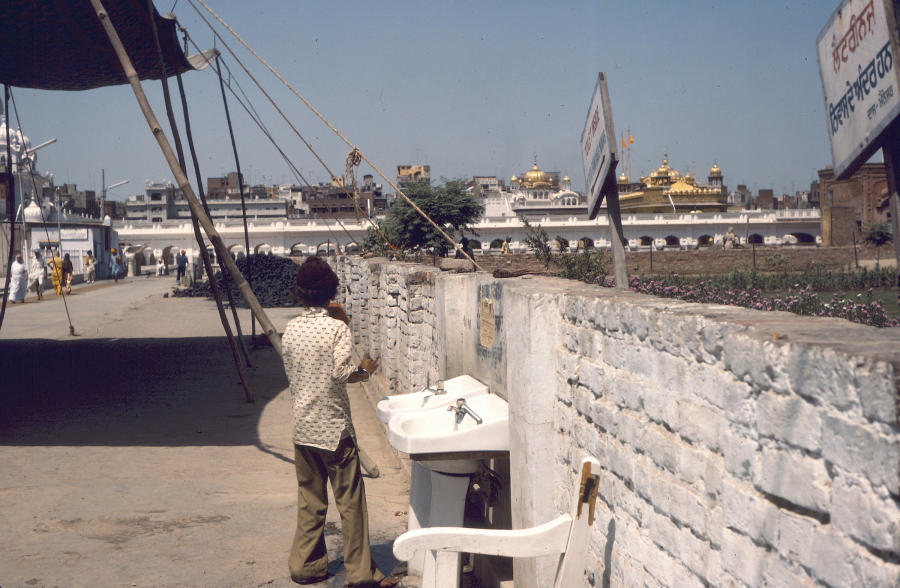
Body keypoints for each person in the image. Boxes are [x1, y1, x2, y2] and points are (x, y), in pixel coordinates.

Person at [282, 256, 395, 587]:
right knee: (351, 506)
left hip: (302, 429)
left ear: (300, 295)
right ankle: (361, 574)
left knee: (310, 501)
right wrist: (366, 371)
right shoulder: (336, 329)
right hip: (334, 431)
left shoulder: (291, 329)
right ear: (331, 292)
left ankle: (305, 567)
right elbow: (342, 373)